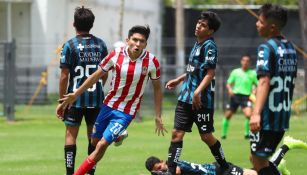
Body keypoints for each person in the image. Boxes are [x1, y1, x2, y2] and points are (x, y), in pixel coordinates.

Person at [57, 25, 167, 175]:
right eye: (134, 40)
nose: (137, 44)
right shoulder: (115, 55)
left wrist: (158, 115)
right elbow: (95, 76)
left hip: (126, 112)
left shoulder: (152, 61)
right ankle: (119, 135)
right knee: (94, 143)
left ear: (145, 44)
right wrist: (76, 94)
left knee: (102, 145)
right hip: (108, 106)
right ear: (127, 40)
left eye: (141, 41)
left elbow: (157, 88)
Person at [165, 11, 231, 175]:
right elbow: (194, 71)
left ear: (210, 31)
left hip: (201, 101)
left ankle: (224, 166)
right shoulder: (197, 43)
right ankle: (171, 172)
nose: (198, 26)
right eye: (198, 23)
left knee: (206, 137)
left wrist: (197, 93)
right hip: (185, 98)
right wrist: (179, 80)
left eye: (203, 25)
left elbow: (210, 73)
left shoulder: (210, 46)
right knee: (176, 134)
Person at [56, 6, 108, 175]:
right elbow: (105, 74)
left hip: (74, 99)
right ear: (92, 24)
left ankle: (70, 172)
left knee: (71, 135)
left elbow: (64, 76)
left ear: (74, 24)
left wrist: (62, 100)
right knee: (93, 138)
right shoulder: (101, 45)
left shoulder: (70, 45)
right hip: (96, 100)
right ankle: (89, 172)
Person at [249, 3, 297, 175]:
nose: (257, 24)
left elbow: (264, 82)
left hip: (268, 118)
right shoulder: (291, 48)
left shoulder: (266, 48)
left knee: (260, 163)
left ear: (272, 27)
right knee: (256, 158)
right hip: (282, 116)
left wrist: (256, 113)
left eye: (260, 21)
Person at [145, 136, 307, 175]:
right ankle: (279, 165)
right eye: (158, 171)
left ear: (162, 161)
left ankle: (286, 145)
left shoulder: (174, 165)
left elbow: (177, 171)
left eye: (160, 167)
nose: (161, 170)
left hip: (221, 171)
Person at [221, 55, 258, 139]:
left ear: (249, 63)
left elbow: (258, 84)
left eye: (247, 61)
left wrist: (254, 91)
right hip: (235, 96)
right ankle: (223, 135)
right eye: (244, 60)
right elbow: (228, 83)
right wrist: (230, 90)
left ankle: (246, 134)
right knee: (228, 115)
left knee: (249, 115)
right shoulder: (235, 72)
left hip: (246, 97)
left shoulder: (252, 73)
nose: (245, 62)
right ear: (241, 61)